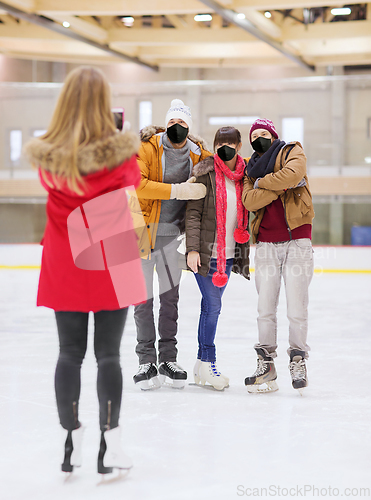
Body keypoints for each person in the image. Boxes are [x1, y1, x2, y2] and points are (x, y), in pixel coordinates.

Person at [23, 67, 144, 474]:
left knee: (69, 353)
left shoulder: (51, 162)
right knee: (109, 355)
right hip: (114, 259)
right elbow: (134, 192)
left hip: (65, 260)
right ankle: (111, 444)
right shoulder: (125, 157)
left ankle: (68, 441)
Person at [132, 99, 210, 390]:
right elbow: (138, 184)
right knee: (142, 301)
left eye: (183, 124)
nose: (178, 128)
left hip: (170, 236)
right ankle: (145, 360)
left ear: (189, 127)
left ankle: (167, 358)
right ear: (168, 124)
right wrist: (178, 190)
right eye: (173, 123)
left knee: (169, 300)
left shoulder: (199, 154)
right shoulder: (149, 147)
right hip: (140, 232)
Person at [242, 118, 315, 394]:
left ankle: (298, 359)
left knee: (297, 307)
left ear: (273, 135)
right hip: (266, 244)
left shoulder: (292, 150)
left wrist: (265, 185)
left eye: (264, 133)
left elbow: (294, 174)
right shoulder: (250, 170)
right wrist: (281, 185)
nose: (259, 138)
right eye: (255, 135)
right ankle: (266, 364)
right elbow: (250, 201)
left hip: (297, 239)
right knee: (265, 308)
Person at [186, 127, 250, 390]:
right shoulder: (206, 174)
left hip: (228, 253)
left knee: (208, 307)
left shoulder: (244, 177)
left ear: (238, 146)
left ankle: (201, 364)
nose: (225, 148)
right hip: (205, 253)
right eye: (220, 143)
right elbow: (193, 214)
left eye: (230, 143)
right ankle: (209, 362)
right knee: (213, 308)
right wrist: (192, 249)